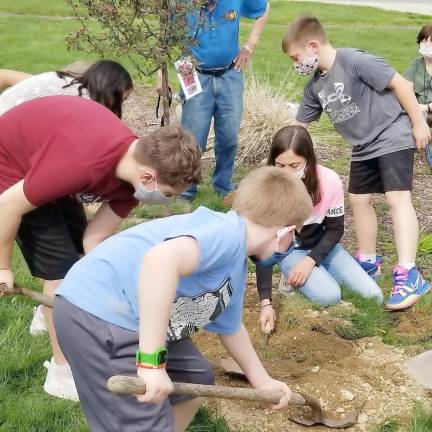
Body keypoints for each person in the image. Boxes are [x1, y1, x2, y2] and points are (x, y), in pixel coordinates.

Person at [52, 166, 312, 432]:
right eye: (295, 237)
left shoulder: (234, 260)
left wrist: (263, 381)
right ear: (285, 231)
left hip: (129, 317)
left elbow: (231, 328)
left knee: (195, 378)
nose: (291, 245)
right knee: (136, 419)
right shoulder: (227, 235)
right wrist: (151, 364)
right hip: (99, 316)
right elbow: (160, 260)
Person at [0, 95, 201, 401]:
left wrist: (120, 287)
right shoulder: (81, 163)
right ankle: (61, 372)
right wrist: (3, 268)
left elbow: (93, 241)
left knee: (75, 264)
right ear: (149, 177)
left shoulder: (134, 183)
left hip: (51, 160)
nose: (169, 201)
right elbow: (7, 206)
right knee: (60, 274)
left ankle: (49, 313)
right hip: (12, 164)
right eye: (170, 193)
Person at [282, 16, 431, 311]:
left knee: (396, 198)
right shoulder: (315, 88)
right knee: (358, 199)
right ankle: (368, 261)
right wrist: (282, 159)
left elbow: (400, 85)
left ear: (313, 46)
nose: (296, 65)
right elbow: (299, 129)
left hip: (391, 133)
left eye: (296, 58)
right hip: (362, 147)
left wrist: (418, 123)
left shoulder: (352, 60)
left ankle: (409, 273)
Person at [256, 126, 383, 330]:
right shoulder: (266, 189)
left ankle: (315, 271)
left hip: (320, 246)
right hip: (288, 250)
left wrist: (311, 261)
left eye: (293, 165)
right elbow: (263, 248)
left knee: (373, 296)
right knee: (329, 296)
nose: (286, 172)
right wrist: (266, 303)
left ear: (308, 160)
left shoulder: (329, 181)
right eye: (280, 165)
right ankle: (290, 276)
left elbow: (335, 229)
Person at [176, 0, 270, 201]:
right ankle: (186, 190)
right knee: (193, 139)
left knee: (229, 137)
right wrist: (161, 75)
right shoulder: (181, 3)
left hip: (230, 74)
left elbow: (264, 8)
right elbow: (165, 33)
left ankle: (223, 186)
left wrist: (249, 47)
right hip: (193, 73)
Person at [0, 59, 133, 118]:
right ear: (109, 93)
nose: (121, 105)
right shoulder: (82, 104)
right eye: (122, 99)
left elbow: (3, 75)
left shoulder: (61, 80)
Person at [405, 24, 432, 166]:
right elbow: (407, 90)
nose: (427, 45)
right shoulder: (416, 64)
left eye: (431, 41)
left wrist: (427, 107)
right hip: (419, 111)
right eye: (424, 41)